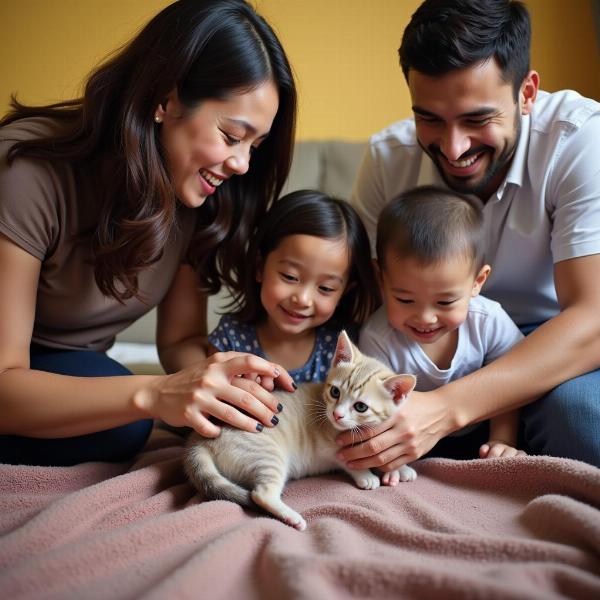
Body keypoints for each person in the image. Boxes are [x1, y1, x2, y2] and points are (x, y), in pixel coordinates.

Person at [0, 0, 298, 466]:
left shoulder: (201, 195)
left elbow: (179, 339)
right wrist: (154, 394)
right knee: (127, 423)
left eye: (255, 146)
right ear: (166, 99)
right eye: (231, 135)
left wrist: (224, 383)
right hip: (10, 377)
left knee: (120, 413)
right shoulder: (26, 173)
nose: (242, 164)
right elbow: (4, 381)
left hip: (67, 370)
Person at [338, 0, 600, 470]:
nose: (453, 148)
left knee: (581, 417)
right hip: (420, 352)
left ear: (527, 93)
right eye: (430, 118)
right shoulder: (387, 159)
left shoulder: (580, 142)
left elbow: (593, 317)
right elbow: (358, 299)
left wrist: (442, 411)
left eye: (477, 119)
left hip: (554, 343)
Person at [359, 186, 525, 485]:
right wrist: (393, 459)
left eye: (445, 302)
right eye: (405, 300)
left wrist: (503, 440)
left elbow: (511, 384)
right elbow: (376, 410)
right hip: (412, 444)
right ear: (381, 279)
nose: (425, 318)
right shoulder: (377, 338)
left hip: (480, 434)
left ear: (477, 281)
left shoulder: (488, 320)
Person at [209, 189, 380, 386]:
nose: (303, 299)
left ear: (344, 292)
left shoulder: (346, 348)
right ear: (259, 267)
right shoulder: (232, 338)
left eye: (325, 288)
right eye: (290, 277)